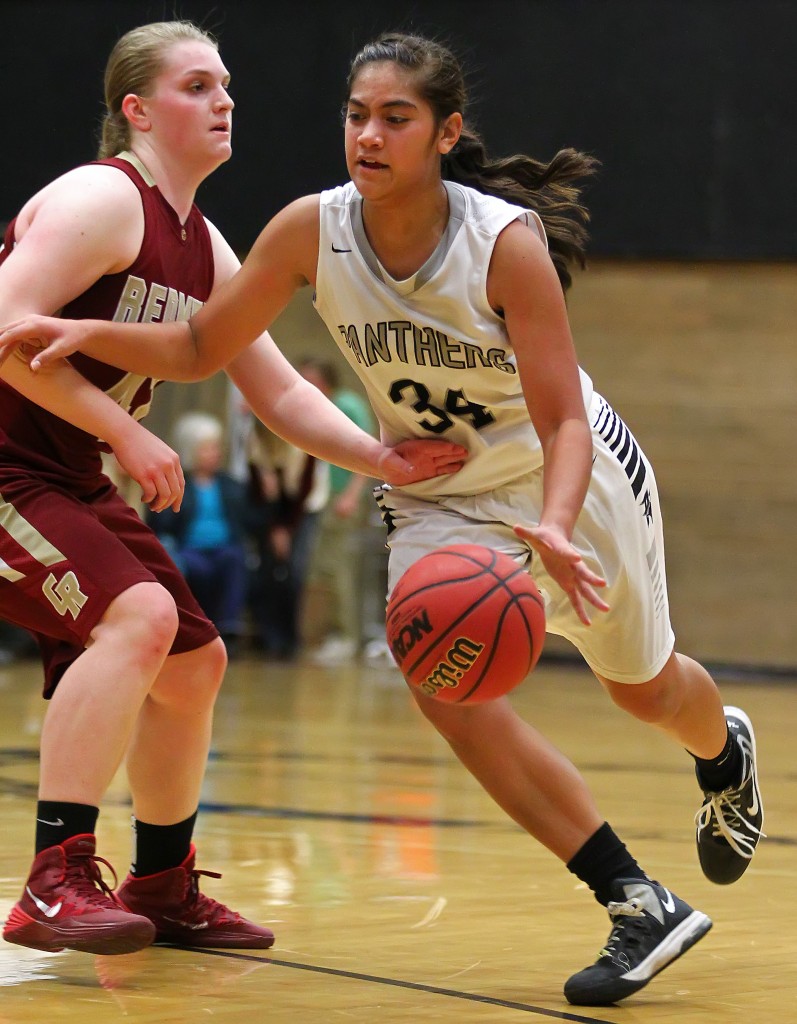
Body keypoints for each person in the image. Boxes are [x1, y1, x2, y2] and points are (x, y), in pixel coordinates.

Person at [0, 31, 764, 1005]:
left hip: (564, 476)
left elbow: (559, 414)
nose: (366, 133)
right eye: (355, 114)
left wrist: (549, 518)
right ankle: (631, 896)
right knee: (435, 682)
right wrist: (374, 458)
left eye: (393, 117)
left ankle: (718, 749)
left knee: (645, 690)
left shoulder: (499, 244)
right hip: (438, 492)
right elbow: (197, 349)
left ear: (444, 134)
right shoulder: (289, 228)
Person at [0, 22, 465, 958]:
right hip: (10, 467)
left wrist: (380, 458)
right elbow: (6, 327)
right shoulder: (101, 198)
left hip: (67, 474)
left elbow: (280, 389)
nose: (224, 102)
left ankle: (163, 883)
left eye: (227, 87)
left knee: (194, 661)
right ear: (136, 110)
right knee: (137, 619)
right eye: (197, 86)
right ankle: (52, 882)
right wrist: (127, 428)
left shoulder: (202, 242)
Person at [148, 411, 255, 653]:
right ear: (191, 450)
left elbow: (249, 518)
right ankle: (186, 629)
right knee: (184, 565)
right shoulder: (176, 483)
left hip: (224, 550)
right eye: (208, 448)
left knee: (235, 559)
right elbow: (160, 522)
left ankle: (229, 629)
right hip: (189, 551)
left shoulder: (229, 485)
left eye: (216, 448)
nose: (215, 454)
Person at [298, 358, 375, 664]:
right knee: (323, 569)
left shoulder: (347, 404)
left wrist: (352, 496)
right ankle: (329, 634)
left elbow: (367, 450)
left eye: (310, 377)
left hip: (341, 498)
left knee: (337, 567)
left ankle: (345, 637)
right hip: (321, 498)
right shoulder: (318, 405)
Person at [247, 419, 327, 660]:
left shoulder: (301, 439)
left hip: (302, 511)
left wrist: (286, 529)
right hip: (269, 513)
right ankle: (269, 638)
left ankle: (291, 640)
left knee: (294, 572)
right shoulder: (255, 441)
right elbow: (258, 491)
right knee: (268, 571)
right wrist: (273, 527)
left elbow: (303, 491)